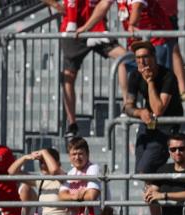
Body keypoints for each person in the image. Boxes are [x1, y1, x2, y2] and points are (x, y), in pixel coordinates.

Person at [43, 0, 127, 139]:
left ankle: (127, 105)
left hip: (96, 28)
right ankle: (72, 124)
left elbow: (104, 4)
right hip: (74, 31)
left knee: (124, 58)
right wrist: (56, 5)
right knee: (68, 76)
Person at [124, 40, 185, 176]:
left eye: (145, 57)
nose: (141, 61)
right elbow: (127, 107)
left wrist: (150, 81)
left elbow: (159, 110)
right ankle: (156, 194)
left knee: (145, 169)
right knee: (141, 171)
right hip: (149, 124)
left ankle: (160, 192)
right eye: (138, 58)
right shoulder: (134, 75)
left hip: (167, 126)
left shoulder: (167, 76)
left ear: (154, 57)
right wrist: (139, 112)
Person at [143, 132, 185, 215]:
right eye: (173, 149)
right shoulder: (163, 169)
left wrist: (164, 196)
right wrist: (148, 192)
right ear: (169, 151)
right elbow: (153, 190)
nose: (177, 152)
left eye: (181, 148)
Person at [8, 147, 64, 215]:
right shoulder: (41, 180)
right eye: (40, 162)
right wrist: (25, 158)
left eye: (45, 162)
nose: (42, 165)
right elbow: (12, 172)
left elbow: (54, 171)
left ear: (58, 163)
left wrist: (44, 152)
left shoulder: (64, 177)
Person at [59, 137, 101, 215]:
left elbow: (91, 196)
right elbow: (61, 196)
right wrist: (75, 196)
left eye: (80, 153)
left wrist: (71, 196)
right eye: (74, 154)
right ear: (69, 156)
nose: (77, 157)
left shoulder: (93, 168)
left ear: (87, 154)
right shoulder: (70, 173)